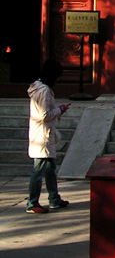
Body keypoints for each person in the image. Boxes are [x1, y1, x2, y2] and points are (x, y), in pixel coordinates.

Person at [26, 59, 71, 214]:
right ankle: (32, 203)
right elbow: (44, 115)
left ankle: (54, 198)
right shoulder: (44, 90)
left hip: (43, 133)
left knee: (50, 168)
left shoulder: (38, 88)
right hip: (42, 135)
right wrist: (60, 109)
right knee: (38, 170)